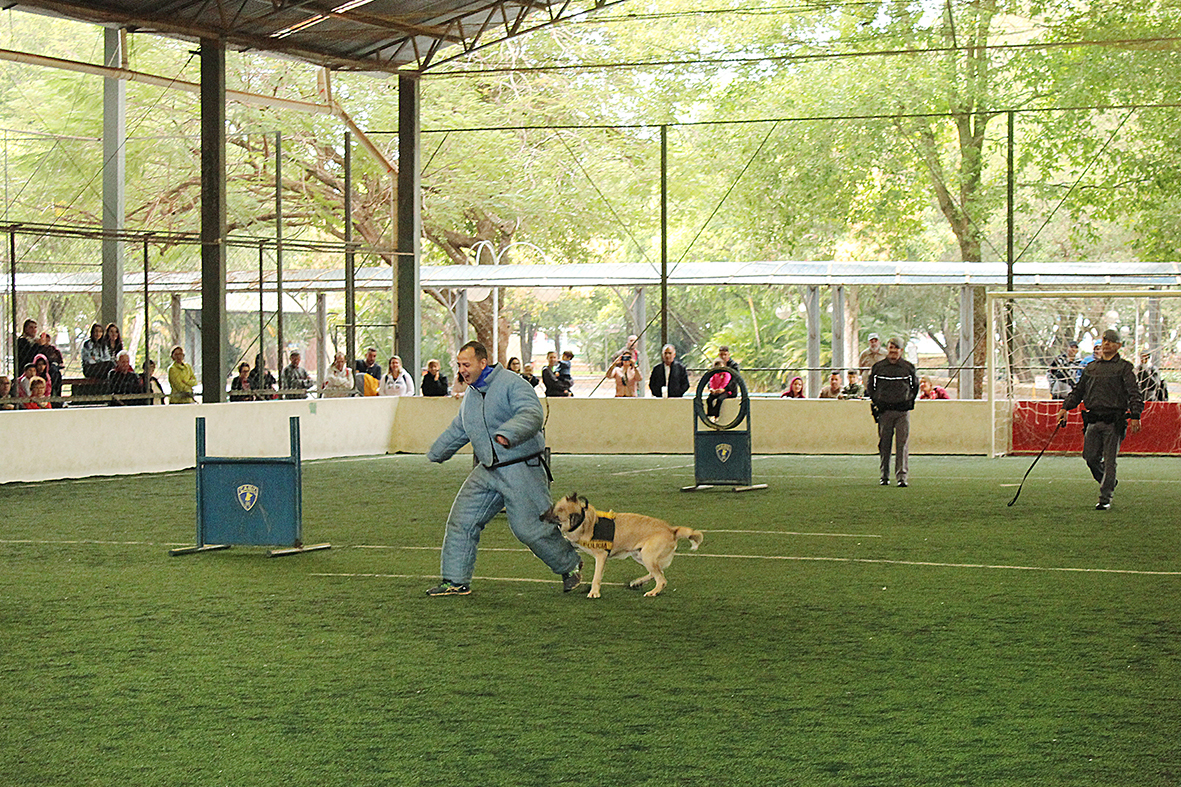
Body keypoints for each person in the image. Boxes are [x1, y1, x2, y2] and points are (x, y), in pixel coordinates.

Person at [425, 340, 582, 597]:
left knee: (530, 529)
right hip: (488, 470)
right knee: (461, 521)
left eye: (466, 364)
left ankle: (570, 565)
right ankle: (455, 581)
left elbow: (531, 414)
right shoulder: (472, 394)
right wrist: (437, 452)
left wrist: (508, 434)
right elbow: (460, 428)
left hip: (522, 468)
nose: (462, 370)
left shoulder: (512, 383)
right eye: (459, 365)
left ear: (482, 363)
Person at [1057, 329, 1143, 510]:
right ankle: (1108, 480)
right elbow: (1078, 392)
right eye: (1105, 340)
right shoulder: (1091, 368)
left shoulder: (1125, 368)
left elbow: (1134, 393)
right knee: (1090, 457)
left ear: (1119, 346)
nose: (1106, 344)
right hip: (1093, 420)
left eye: (1111, 341)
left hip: (1114, 421)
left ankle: (1105, 498)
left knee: (1110, 460)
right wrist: (1065, 407)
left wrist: (1135, 415)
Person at [867, 338, 919, 487]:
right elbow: (871, 386)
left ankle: (902, 477)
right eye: (891, 349)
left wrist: (908, 401)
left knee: (902, 444)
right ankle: (884, 475)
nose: (893, 353)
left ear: (901, 351)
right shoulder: (878, 367)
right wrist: (877, 401)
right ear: (887, 350)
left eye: (896, 350)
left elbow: (914, 387)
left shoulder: (908, 368)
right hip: (885, 411)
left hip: (902, 411)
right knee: (884, 444)